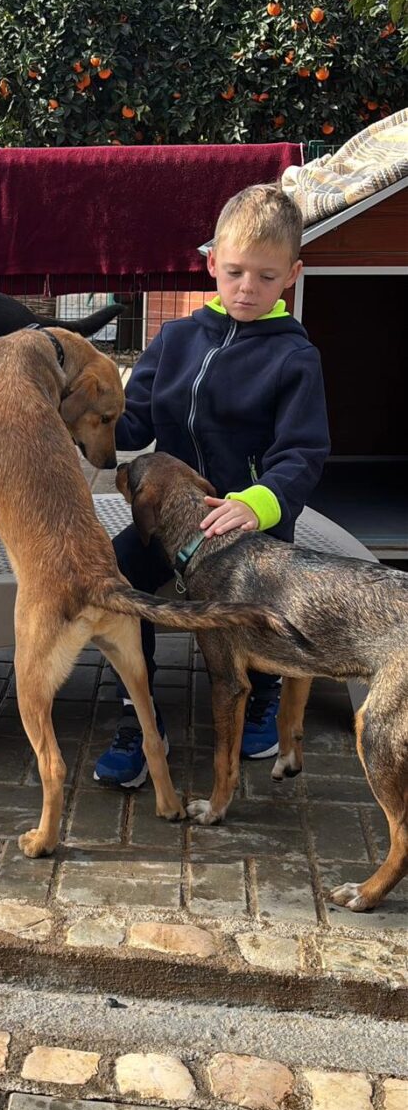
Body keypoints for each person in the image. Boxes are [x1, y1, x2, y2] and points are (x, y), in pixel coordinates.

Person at [94, 183, 330, 788]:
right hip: (170, 521)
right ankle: (140, 716)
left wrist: (258, 504)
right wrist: (84, 417)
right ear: (211, 264)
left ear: (292, 275)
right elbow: (134, 421)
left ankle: (263, 695)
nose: (247, 288)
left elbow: (303, 452)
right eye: (234, 272)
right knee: (115, 574)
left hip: (247, 527)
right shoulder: (176, 339)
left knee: (262, 601)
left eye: (266, 276)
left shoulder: (294, 358)